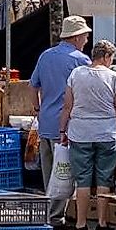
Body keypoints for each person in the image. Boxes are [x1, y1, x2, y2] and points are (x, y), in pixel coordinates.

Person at [57, 42, 116, 230]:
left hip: (80, 132)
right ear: (106, 57)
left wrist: (62, 131)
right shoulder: (113, 77)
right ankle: (102, 224)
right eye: (111, 58)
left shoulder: (76, 74)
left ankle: (81, 224)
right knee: (104, 178)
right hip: (107, 133)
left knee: (83, 179)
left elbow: (67, 107)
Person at [31, 16, 91, 195]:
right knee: (64, 175)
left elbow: (33, 87)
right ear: (76, 37)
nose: (86, 41)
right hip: (67, 126)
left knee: (49, 174)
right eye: (85, 37)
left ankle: (49, 212)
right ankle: (57, 216)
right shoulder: (81, 60)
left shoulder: (45, 56)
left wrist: (37, 110)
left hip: (46, 122)